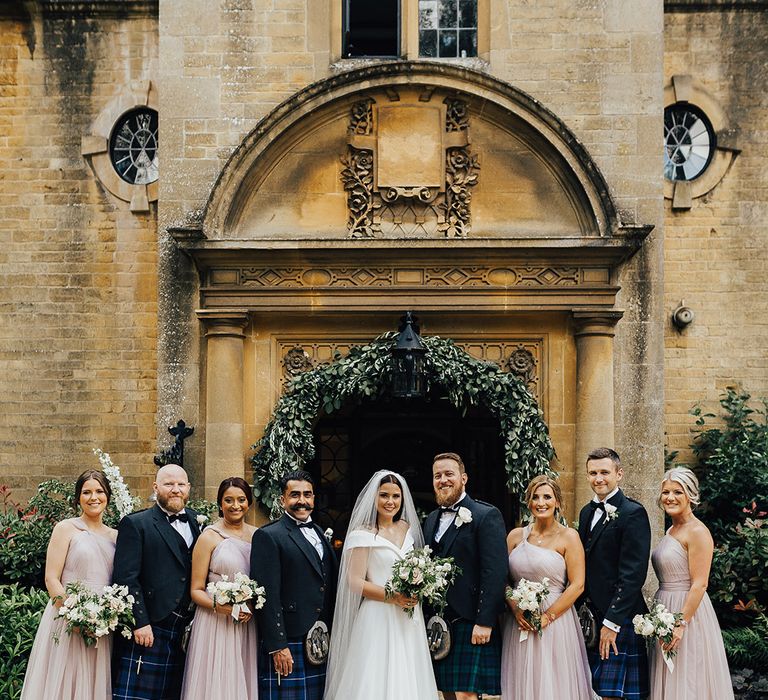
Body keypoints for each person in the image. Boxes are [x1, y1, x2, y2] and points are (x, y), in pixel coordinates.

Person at [324, 470, 439, 700]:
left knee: (409, 675)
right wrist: (392, 596)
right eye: (384, 495)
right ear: (373, 499)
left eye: (396, 496)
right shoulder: (363, 534)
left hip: (407, 618)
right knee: (373, 677)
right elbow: (354, 581)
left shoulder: (408, 529)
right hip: (377, 615)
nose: (390, 502)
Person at [21, 469, 117, 700]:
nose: (93, 497)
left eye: (99, 491)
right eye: (86, 492)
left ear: (108, 496)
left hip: (101, 625)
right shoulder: (65, 528)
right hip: (66, 619)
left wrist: (104, 616)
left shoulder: (117, 536)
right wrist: (74, 617)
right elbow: (51, 578)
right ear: (78, 498)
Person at [422, 452, 508, 700]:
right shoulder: (431, 520)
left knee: (467, 695)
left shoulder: (485, 515)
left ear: (464, 478)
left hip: (471, 619)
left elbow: (495, 571)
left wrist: (485, 620)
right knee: (445, 691)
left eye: (449, 474)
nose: (443, 480)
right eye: (437, 476)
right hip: (438, 621)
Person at [112, 464, 201, 700]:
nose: (175, 489)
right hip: (151, 625)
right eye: (169, 484)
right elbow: (126, 578)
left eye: (181, 484)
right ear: (155, 487)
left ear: (188, 488)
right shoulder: (136, 524)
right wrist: (140, 621)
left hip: (185, 628)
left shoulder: (195, 521)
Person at [502, 474, 593, 699]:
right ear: (528, 502)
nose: (541, 502)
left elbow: (578, 584)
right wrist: (515, 608)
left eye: (547, 497)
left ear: (558, 502)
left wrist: (547, 617)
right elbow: (502, 580)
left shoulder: (569, 537)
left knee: (555, 682)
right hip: (519, 621)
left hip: (556, 621)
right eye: (535, 497)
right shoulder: (514, 536)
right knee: (522, 679)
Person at [250, 469, 338, 700]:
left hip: (321, 637)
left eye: (307, 495)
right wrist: (278, 645)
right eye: (295, 495)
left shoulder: (319, 532)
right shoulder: (269, 536)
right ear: (282, 499)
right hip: (289, 638)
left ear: (314, 498)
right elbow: (266, 595)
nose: (302, 501)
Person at [649, 467, 734, 699]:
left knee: (687, 678)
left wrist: (680, 624)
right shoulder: (672, 529)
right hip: (665, 607)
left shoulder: (697, 532)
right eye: (666, 492)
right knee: (668, 674)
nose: (670, 497)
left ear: (690, 496)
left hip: (687, 612)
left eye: (678, 492)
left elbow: (700, 584)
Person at [578, 447, 651, 700]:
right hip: (592, 616)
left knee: (613, 695)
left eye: (605, 472)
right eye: (593, 473)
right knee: (595, 688)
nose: (598, 478)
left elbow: (633, 574)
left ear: (619, 474)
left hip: (620, 618)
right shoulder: (587, 512)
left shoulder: (633, 513)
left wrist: (612, 622)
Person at [181, 476, 259, 700]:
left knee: (242, 678)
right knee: (216, 682)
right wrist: (222, 607)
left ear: (249, 502)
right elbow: (195, 589)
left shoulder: (258, 536)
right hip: (216, 621)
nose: (235, 505)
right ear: (220, 503)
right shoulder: (209, 537)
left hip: (246, 620)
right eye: (229, 500)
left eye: (241, 499)